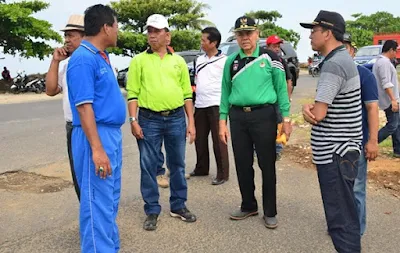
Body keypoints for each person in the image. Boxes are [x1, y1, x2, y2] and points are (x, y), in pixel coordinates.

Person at [219, 16, 291, 229]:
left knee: (266, 164)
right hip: (238, 117)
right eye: (240, 34)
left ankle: (270, 211)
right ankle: (248, 204)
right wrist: (222, 121)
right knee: (242, 163)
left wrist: (286, 118)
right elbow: (225, 92)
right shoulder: (231, 61)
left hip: (264, 116)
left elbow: (281, 89)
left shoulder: (270, 57)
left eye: (249, 33)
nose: (245, 38)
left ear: (257, 33)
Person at [126, 14, 197, 231]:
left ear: (168, 35)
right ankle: (152, 209)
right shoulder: (138, 61)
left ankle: (178, 205)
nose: (152, 35)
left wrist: (191, 122)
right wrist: (133, 120)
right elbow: (132, 93)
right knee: (148, 167)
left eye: (157, 31)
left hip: (176, 118)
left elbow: (187, 93)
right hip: (148, 120)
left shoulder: (178, 62)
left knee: (177, 164)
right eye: (150, 31)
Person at [300, 10, 363, 252]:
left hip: (336, 154)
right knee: (346, 214)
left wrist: (307, 108)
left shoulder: (334, 65)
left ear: (327, 33)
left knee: (340, 220)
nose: (310, 36)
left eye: (313, 31)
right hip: (344, 151)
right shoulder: (341, 60)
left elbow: (319, 114)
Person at [66, 5, 125, 252]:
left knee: (109, 199)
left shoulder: (100, 55)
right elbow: (84, 107)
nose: (118, 31)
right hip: (95, 136)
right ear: (106, 27)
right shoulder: (83, 58)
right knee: (95, 202)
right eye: (116, 26)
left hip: (110, 134)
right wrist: (97, 149)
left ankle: (109, 247)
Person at [45, 14, 85, 201]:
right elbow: (51, 90)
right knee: (78, 176)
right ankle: (88, 217)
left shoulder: (93, 59)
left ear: (84, 36)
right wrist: (55, 61)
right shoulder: (66, 63)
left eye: (71, 35)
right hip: (72, 125)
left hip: (91, 124)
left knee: (96, 175)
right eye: (66, 36)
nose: (67, 40)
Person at [343, 33, 379, 236]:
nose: (343, 52)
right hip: (335, 144)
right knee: (340, 190)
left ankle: (355, 231)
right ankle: (342, 226)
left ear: (353, 52)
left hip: (357, 143)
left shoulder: (365, 76)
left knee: (356, 189)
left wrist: (373, 141)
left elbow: (372, 109)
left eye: (346, 48)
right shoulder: (331, 74)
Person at [189, 27, 229, 185]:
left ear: (214, 43)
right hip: (200, 104)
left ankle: (222, 173)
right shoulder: (199, 60)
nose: (201, 43)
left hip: (217, 105)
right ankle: (201, 168)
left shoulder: (225, 61)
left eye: (204, 40)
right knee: (200, 138)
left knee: (218, 140)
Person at [266, 35, 293, 160]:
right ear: (268, 47)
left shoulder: (281, 62)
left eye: (278, 46)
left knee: (279, 124)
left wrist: (287, 99)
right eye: (274, 46)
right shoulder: (261, 61)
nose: (277, 49)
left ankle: (277, 150)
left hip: (277, 101)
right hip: (265, 101)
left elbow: (288, 81)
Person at [372, 40, 400, 158]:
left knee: (397, 124)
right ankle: (372, 142)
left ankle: (398, 150)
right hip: (389, 100)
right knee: (392, 125)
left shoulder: (382, 61)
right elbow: (386, 83)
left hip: (391, 99)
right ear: (391, 50)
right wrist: (393, 100)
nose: (396, 54)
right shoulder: (384, 63)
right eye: (396, 51)